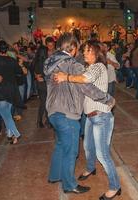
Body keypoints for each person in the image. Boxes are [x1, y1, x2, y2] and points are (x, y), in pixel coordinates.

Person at [44, 33, 115, 194]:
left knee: (61, 145)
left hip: (53, 111)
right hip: (67, 112)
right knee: (71, 151)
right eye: (81, 49)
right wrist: (108, 99)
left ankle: (55, 175)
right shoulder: (72, 64)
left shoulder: (49, 62)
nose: (82, 53)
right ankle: (69, 185)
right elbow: (87, 87)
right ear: (74, 48)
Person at [0, 40, 23, 144]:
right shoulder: (12, 60)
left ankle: (16, 134)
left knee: (6, 115)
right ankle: (11, 136)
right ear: (7, 49)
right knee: (7, 115)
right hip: (11, 91)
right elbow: (20, 72)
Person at [34, 36, 55, 128]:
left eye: (52, 45)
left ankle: (41, 121)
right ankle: (47, 121)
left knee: (44, 102)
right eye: (49, 46)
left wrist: (36, 75)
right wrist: (39, 76)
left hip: (41, 83)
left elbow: (33, 68)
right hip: (45, 83)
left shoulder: (38, 59)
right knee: (46, 102)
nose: (50, 48)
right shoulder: (46, 61)